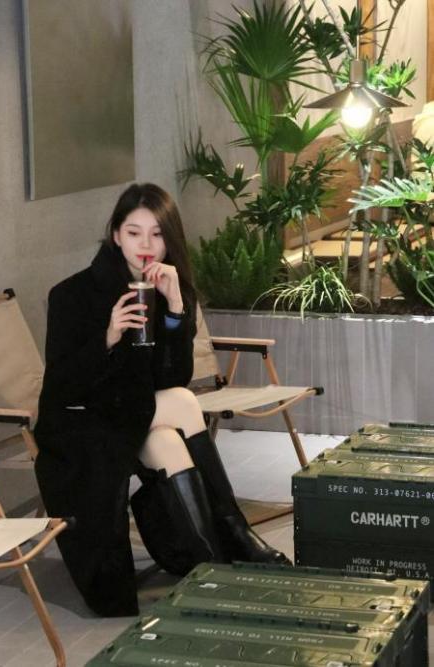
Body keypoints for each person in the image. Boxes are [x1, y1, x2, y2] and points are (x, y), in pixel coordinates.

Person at [34, 183, 289, 618]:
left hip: (136, 413)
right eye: (134, 233)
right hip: (81, 421)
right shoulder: (72, 294)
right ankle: (237, 539)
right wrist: (108, 338)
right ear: (116, 235)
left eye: (157, 234)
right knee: (183, 404)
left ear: (169, 240)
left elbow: (172, 378)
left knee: (170, 438)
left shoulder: (168, 286)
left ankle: (210, 568)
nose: (146, 245)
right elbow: (61, 388)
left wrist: (173, 310)